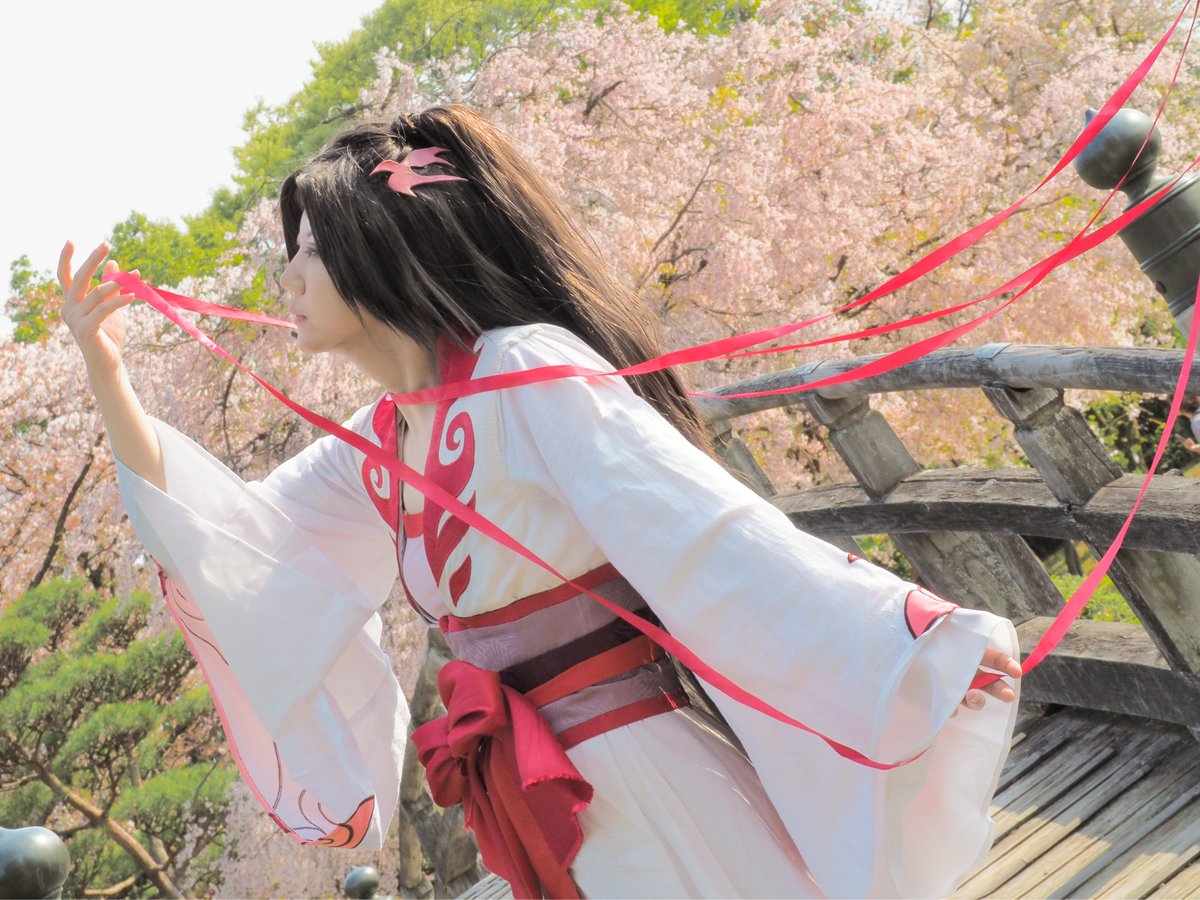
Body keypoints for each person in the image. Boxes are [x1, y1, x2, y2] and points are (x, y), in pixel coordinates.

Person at [61, 105, 1022, 899]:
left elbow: (703, 532)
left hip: (641, 774)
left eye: (309, 249)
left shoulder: (524, 365)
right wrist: (108, 376)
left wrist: (895, 638)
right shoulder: (382, 442)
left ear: (375, 248)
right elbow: (232, 544)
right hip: (530, 799)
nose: (289, 278)